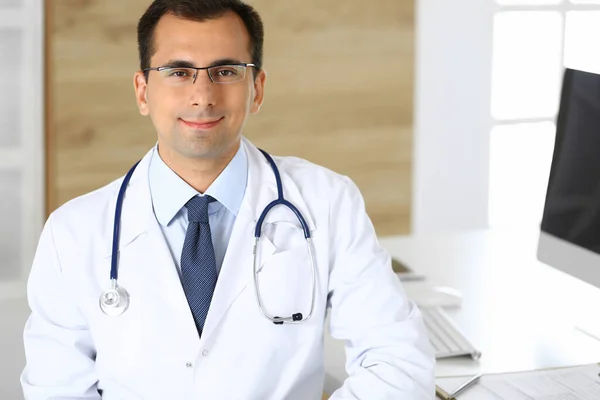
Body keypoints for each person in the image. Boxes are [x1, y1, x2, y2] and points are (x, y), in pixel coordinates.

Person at [20, 1, 435, 399]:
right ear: (143, 91)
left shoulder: (328, 203)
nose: (203, 96)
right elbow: (57, 389)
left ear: (257, 88)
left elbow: (397, 360)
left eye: (225, 71)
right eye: (179, 72)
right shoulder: (71, 234)